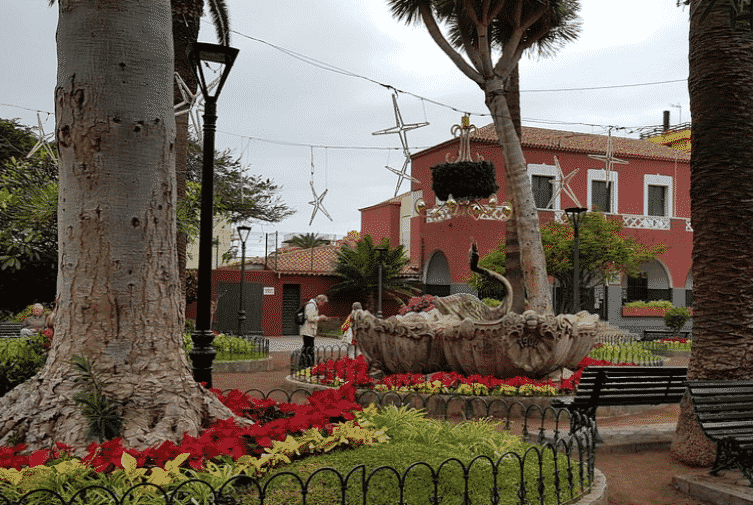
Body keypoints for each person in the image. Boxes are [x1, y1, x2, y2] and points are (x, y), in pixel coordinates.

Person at [299, 294, 328, 368]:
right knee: (308, 347)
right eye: (323, 303)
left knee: (308, 347)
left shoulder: (314, 305)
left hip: (310, 330)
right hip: (307, 330)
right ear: (320, 300)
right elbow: (310, 318)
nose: (322, 305)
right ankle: (306, 364)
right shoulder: (311, 305)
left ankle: (305, 364)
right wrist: (320, 317)